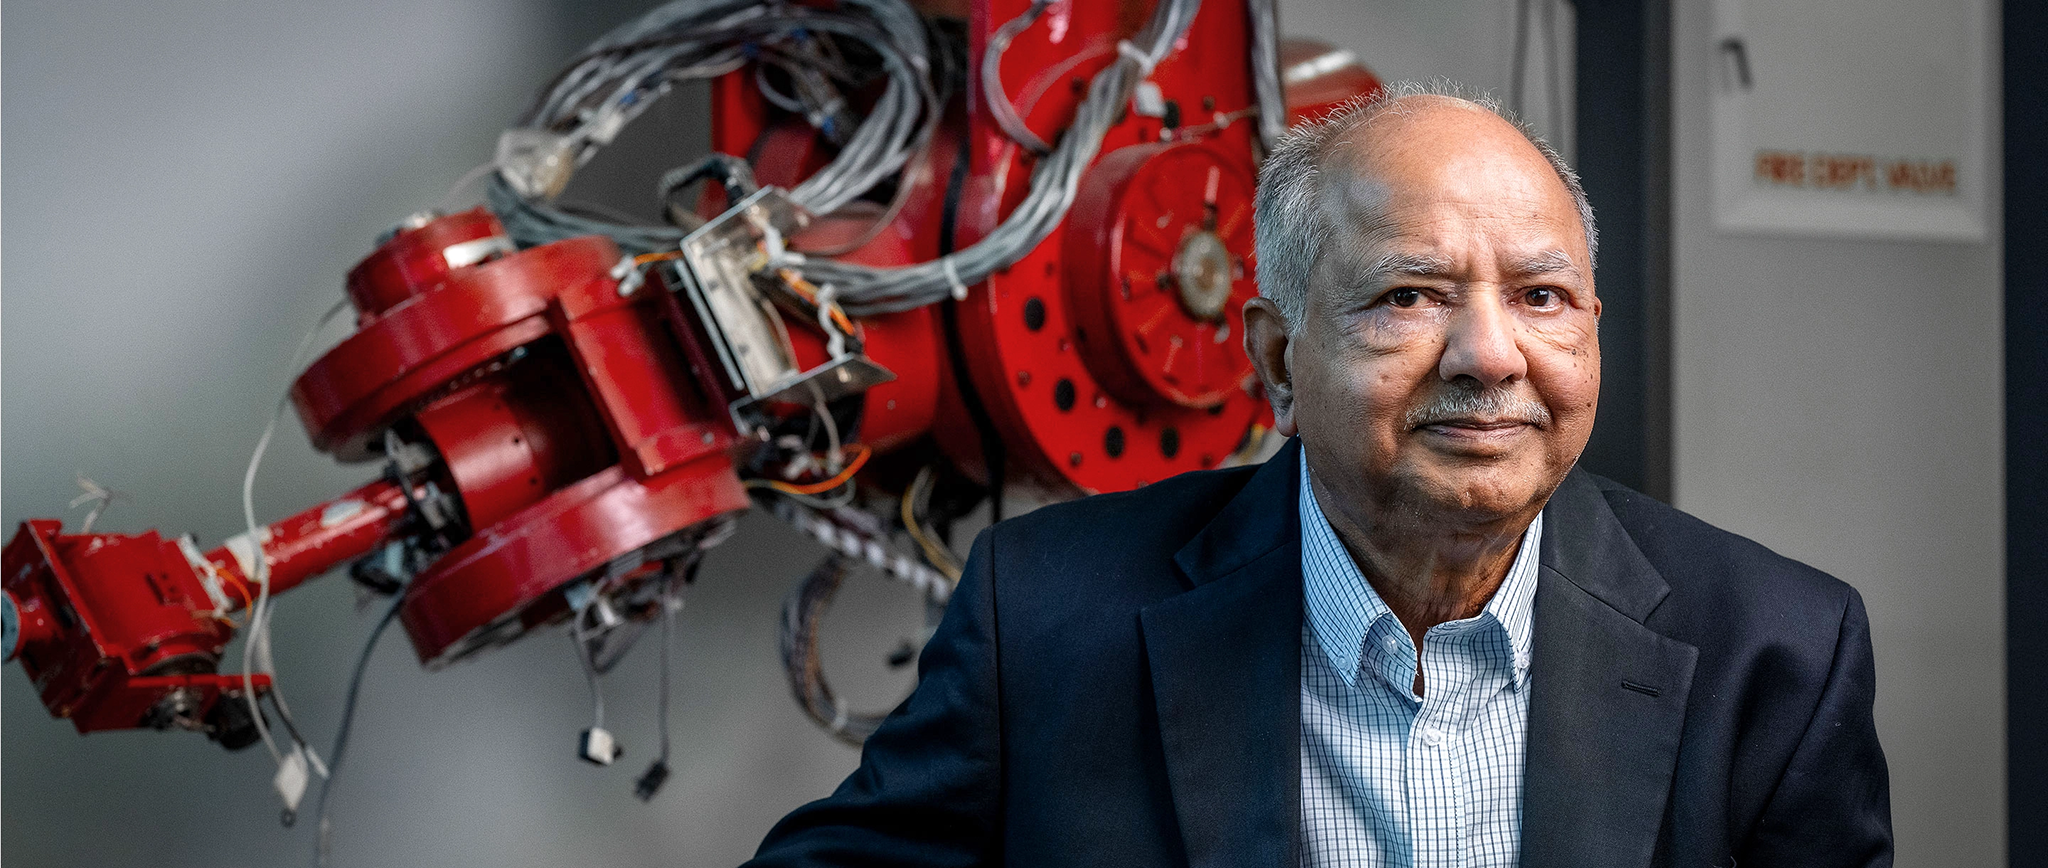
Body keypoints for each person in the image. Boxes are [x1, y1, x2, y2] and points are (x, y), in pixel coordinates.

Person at [744, 82, 1892, 867]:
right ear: (1270, 359)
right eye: (1407, 296)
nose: (1489, 355)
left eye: (1539, 297)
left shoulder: (1775, 650)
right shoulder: (1044, 616)